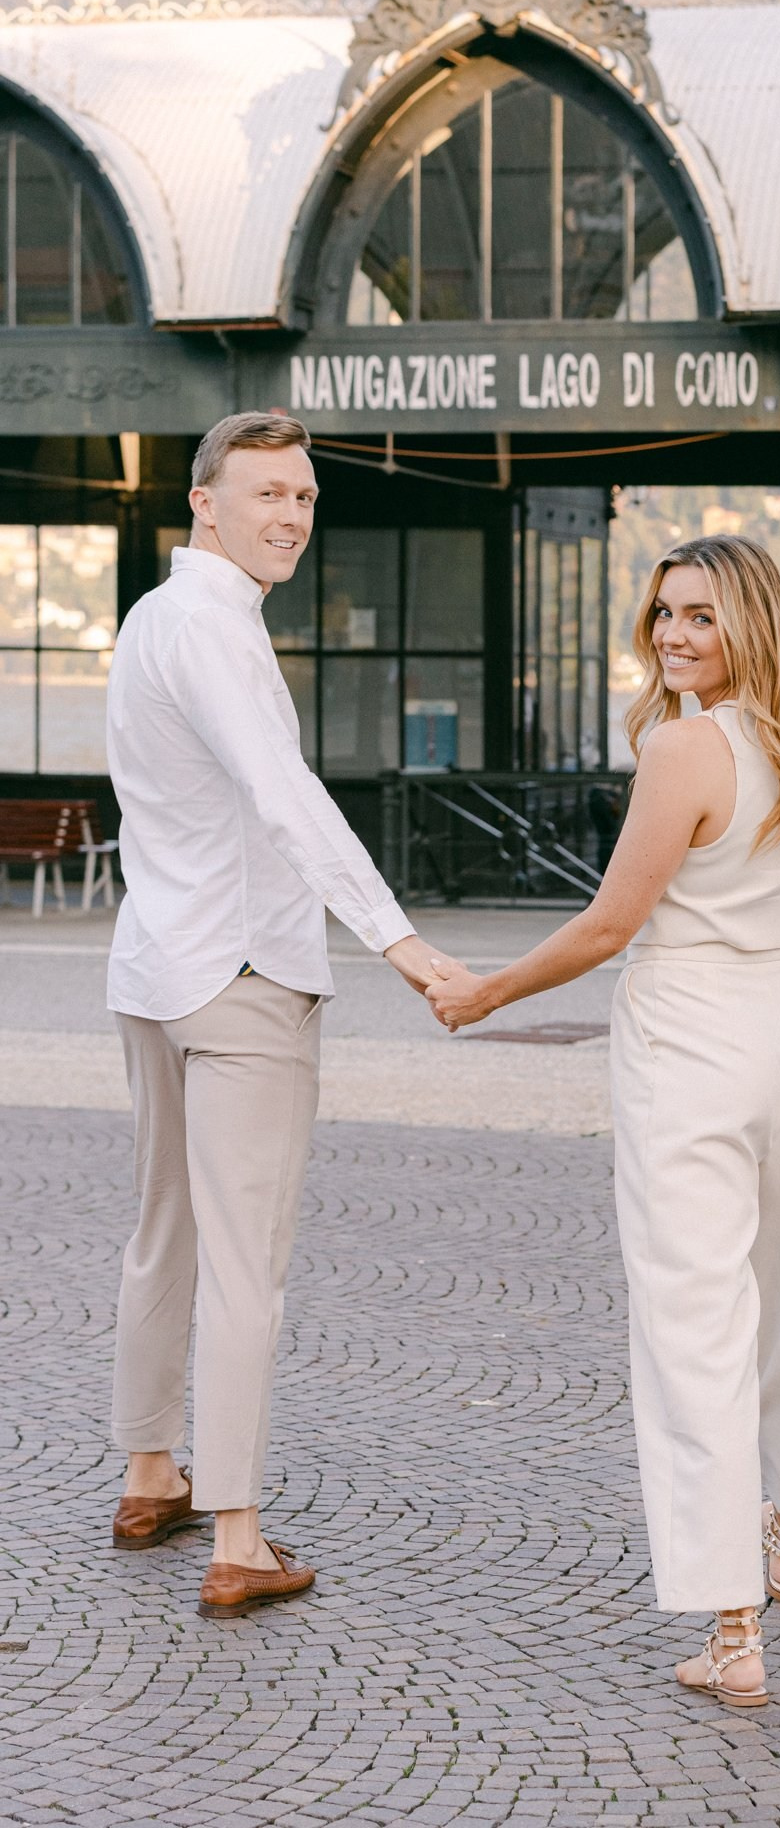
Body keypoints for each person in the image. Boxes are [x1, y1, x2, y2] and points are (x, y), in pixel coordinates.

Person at [426, 534, 780, 1708]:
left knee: (695, 1330)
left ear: (749, 630)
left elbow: (609, 924)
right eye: (665, 612)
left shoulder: (684, 747)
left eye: (701, 618)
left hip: (690, 1051)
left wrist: (484, 992)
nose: (673, 635)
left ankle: (732, 1633)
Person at [106, 411, 459, 1619]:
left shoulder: (155, 620)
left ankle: (153, 1470)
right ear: (205, 500)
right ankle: (239, 1536)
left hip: (157, 967)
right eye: (268, 494)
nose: (292, 517)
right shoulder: (211, 629)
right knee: (245, 1263)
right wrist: (400, 941)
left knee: (167, 1232)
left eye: (305, 498)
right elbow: (285, 796)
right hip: (243, 977)